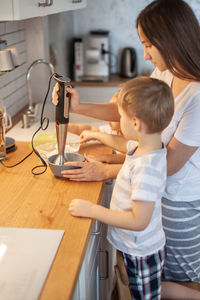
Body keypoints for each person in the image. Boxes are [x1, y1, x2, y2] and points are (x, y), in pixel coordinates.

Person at [52, 0, 200, 297]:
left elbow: (168, 163)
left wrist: (106, 169)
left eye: (148, 44)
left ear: (171, 38)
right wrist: (79, 107)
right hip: (156, 197)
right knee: (153, 278)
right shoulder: (165, 75)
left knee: (180, 282)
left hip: (180, 204)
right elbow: (127, 111)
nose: (144, 53)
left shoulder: (197, 95)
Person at [69, 76, 174, 299]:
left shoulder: (147, 168)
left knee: (146, 294)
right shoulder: (148, 146)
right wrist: (98, 135)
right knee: (146, 287)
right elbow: (125, 144)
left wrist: (92, 210)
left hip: (141, 253)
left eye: (120, 116)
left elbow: (139, 220)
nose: (118, 121)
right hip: (134, 247)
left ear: (135, 123)